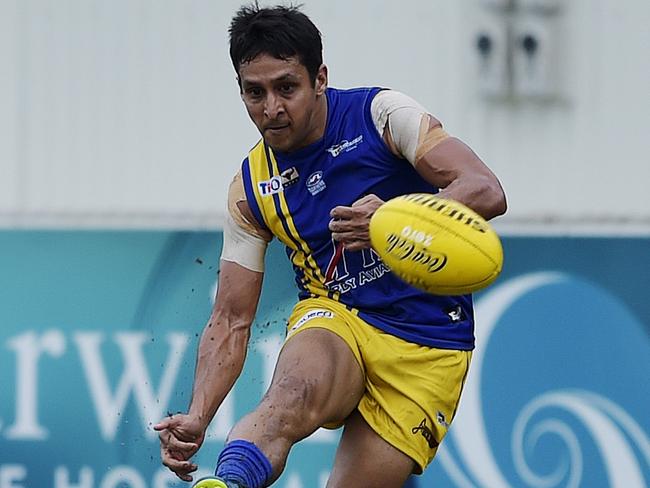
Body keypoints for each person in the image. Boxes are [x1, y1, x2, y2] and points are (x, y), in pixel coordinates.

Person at [155, 3, 507, 488]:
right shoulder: (250, 188)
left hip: (429, 344)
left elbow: (486, 190)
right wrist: (198, 414)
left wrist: (389, 219)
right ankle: (231, 482)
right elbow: (231, 319)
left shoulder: (382, 115)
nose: (271, 108)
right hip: (338, 318)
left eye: (286, 87)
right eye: (254, 92)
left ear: (319, 78)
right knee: (288, 398)